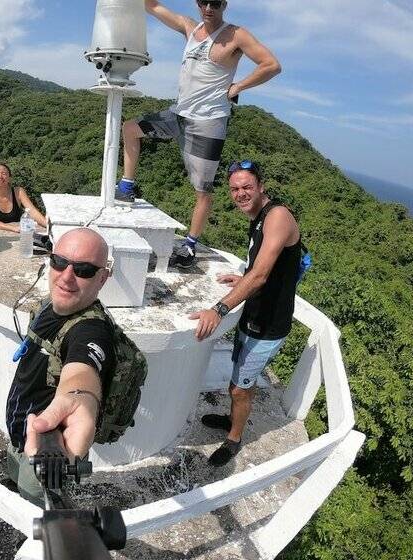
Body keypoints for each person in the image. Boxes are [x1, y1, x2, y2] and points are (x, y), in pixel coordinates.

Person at [117, 0, 281, 268]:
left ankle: (190, 246)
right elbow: (153, 6)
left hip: (208, 123)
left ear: (224, 5)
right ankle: (126, 186)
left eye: (215, 2)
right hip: (178, 114)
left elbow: (271, 65)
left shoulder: (236, 35)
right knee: (130, 128)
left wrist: (238, 86)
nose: (209, 7)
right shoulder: (190, 28)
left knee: (202, 191)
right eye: (204, 1)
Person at [188, 160, 301, 466]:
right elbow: (268, 268)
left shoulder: (277, 216)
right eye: (235, 189)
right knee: (238, 379)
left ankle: (234, 439)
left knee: (240, 388)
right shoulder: (259, 217)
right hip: (254, 314)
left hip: (268, 325)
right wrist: (243, 279)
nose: (240, 193)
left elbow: (261, 275)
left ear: (261, 186)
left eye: (247, 187)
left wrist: (219, 309)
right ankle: (232, 419)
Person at [5, 228, 116, 504]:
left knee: (37, 504)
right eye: (59, 262)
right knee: (16, 480)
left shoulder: (92, 330)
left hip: (45, 450)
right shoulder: (49, 305)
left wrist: (81, 398)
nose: (66, 276)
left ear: (102, 278)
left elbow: (82, 371)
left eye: (84, 270)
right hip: (20, 430)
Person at [0, 163, 47, 233]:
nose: (0, 176)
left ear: (9, 178)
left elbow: (32, 211)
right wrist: (14, 228)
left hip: (20, 234)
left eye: (4, 174)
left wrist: (48, 225)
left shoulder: (18, 192)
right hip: (0, 235)